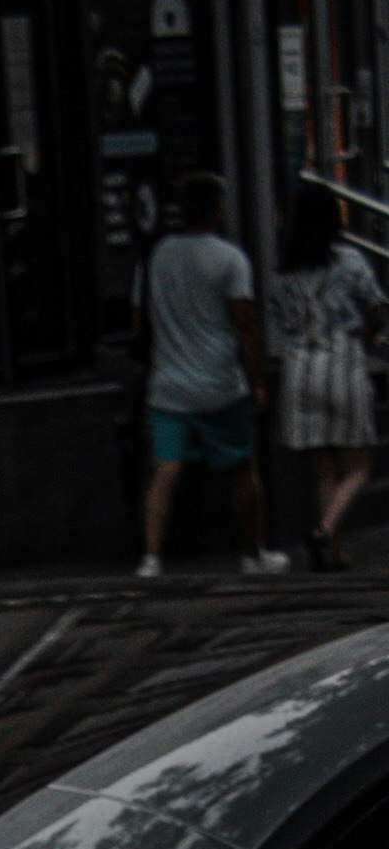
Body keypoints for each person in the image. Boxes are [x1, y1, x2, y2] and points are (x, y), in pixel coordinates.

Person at [138, 171, 292, 576]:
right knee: (242, 467)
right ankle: (253, 553)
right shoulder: (230, 259)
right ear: (217, 209)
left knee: (166, 468)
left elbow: (139, 321)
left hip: (168, 385)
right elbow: (246, 322)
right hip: (220, 383)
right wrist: (256, 379)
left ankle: (152, 557)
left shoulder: (158, 255)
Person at [271, 176, 384, 566]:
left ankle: (332, 550)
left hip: (299, 369)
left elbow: (282, 322)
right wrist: (370, 337)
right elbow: (375, 307)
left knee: (325, 469)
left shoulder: (282, 272)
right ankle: (322, 532)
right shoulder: (349, 262)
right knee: (358, 466)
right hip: (342, 362)